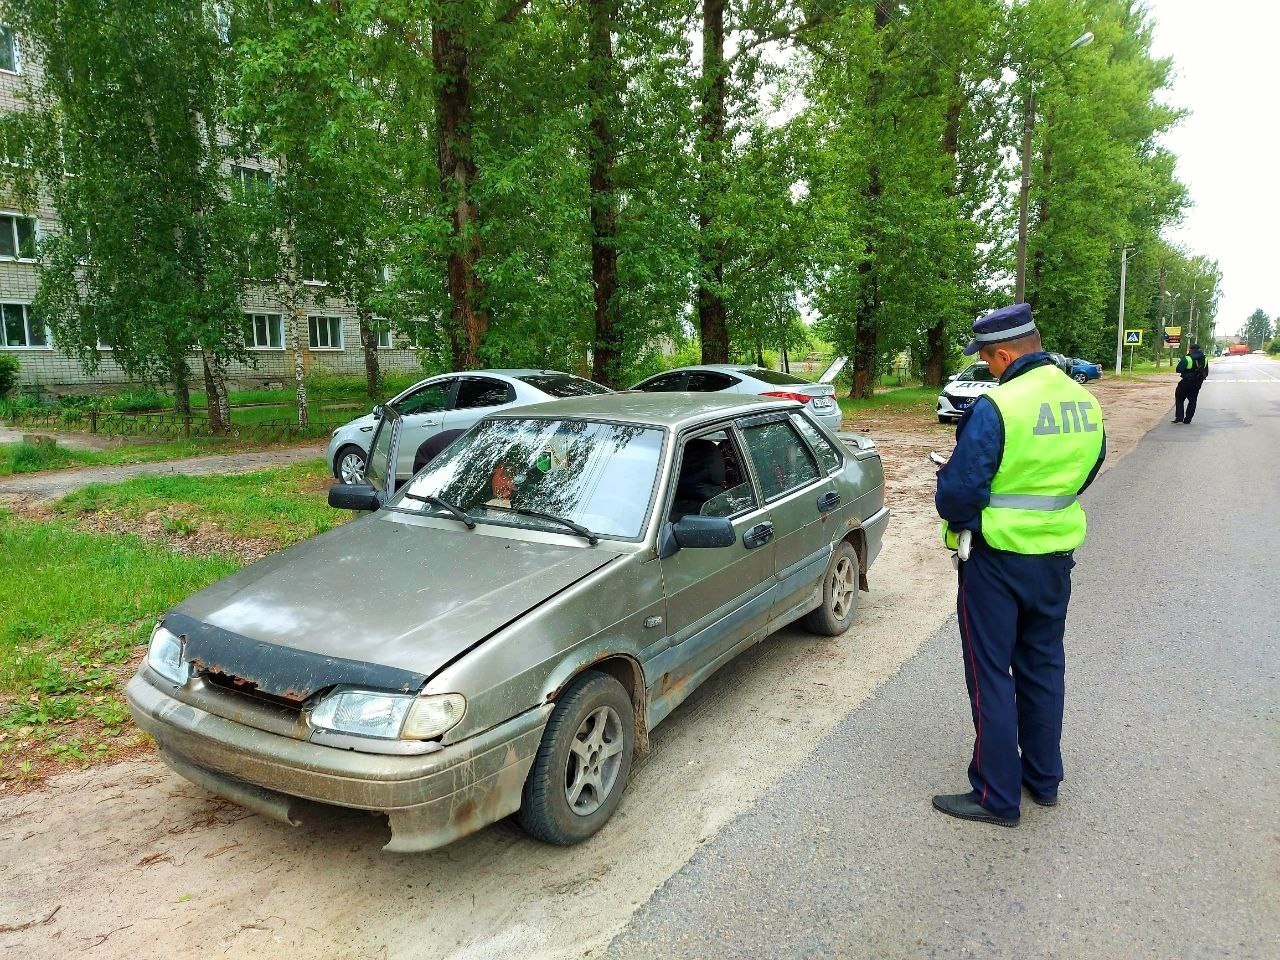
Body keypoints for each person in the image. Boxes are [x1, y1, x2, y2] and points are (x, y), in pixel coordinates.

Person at [932, 304, 1106, 827]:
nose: (987, 368)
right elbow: (1086, 471)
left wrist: (952, 493)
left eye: (987, 359)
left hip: (996, 561)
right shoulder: (1085, 402)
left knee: (991, 675)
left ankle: (996, 796)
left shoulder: (998, 406)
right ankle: (1043, 778)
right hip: (1055, 560)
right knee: (1043, 665)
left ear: (1006, 354)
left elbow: (961, 493)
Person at [1172, 343, 1209, 424]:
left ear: (1190, 349)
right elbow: (1206, 371)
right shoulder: (1205, 358)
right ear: (1199, 350)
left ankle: (1179, 417)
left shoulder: (1187, 358)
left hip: (1186, 381)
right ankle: (1188, 419)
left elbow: (1178, 369)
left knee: (1179, 398)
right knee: (1192, 400)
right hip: (1197, 382)